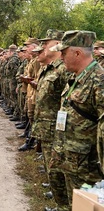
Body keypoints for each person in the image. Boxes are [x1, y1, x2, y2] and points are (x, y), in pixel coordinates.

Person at [49, 30, 104, 209]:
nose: (61, 57)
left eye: (64, 53)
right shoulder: (75, 77)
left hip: (85, 169)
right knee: (66, 203)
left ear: (77, 53)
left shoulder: (99, 81)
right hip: (66, 156)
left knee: (82, 207)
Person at [31, 30, 70, 211]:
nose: (43, 46)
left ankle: (62, 205)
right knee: (52, 170)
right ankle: (59, 203)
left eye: (46, 43)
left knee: (58, 172)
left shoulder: (63, 70)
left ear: (57, 43)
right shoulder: (50, 68)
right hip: (46, 128)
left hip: (57, 130)